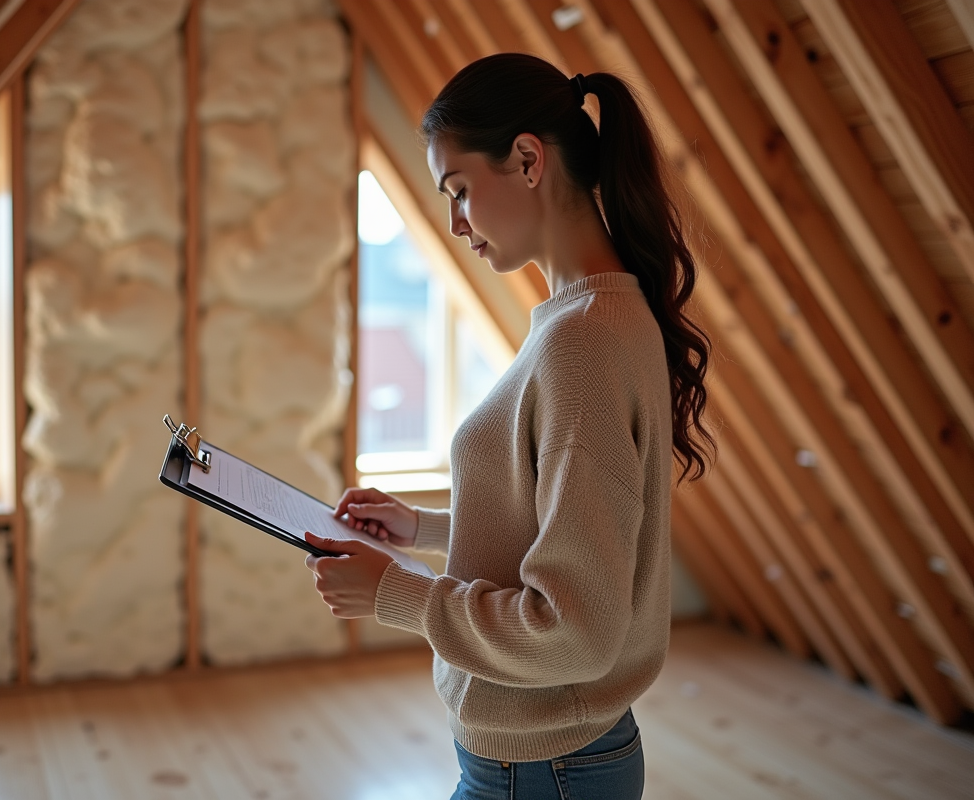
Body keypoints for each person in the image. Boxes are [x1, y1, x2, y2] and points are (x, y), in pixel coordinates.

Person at [303, 53, 713, 800]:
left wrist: (397, 594)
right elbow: (561, 520)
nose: (455, 224)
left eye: (459, 191)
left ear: (528, 159)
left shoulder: (584, 340)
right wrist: (424, 529)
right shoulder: (588, 318)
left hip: (544, 771)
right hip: (547, 762)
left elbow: (573, 628)